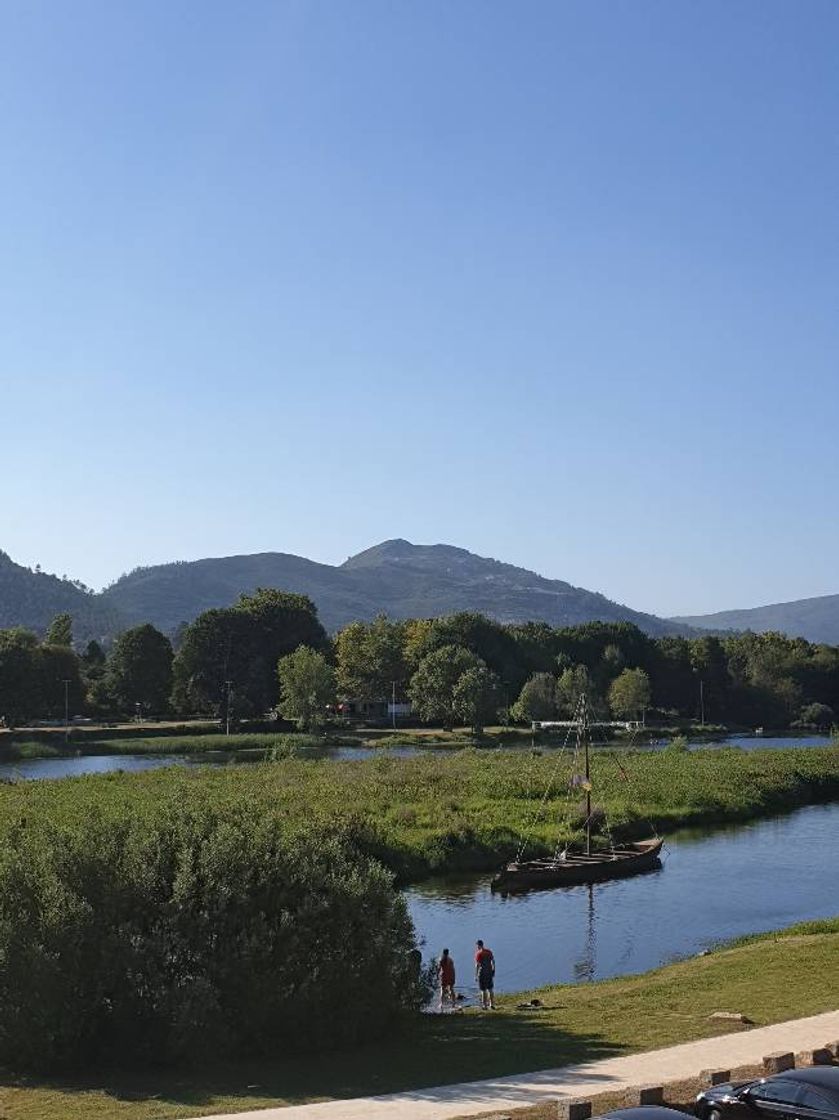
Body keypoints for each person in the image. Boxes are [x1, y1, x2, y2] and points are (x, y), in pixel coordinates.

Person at [474, 939, 495, 1010]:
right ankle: (492, 1004)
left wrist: (476, 975)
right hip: (489, 972)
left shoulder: (478, 954)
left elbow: (477, 965)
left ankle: (484, 1006)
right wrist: (493, 970)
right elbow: (493, 961)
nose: (477, 947)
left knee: (483, 990)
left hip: (482, 973)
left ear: (479, 945)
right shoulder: (489, 952)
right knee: (490, 989)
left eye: (477, 946)